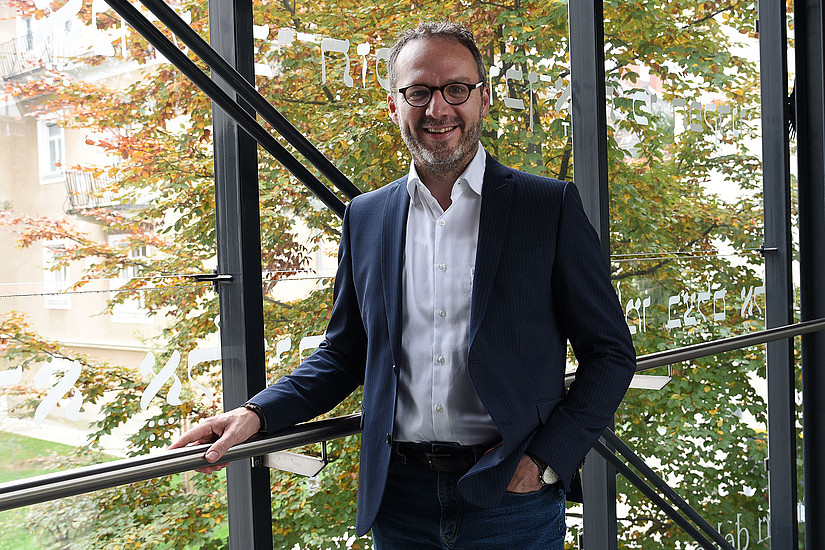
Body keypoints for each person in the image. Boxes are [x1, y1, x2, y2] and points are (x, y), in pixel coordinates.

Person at [171, 21, 636, 549]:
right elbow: (344, 353)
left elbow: (611, 353)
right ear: (395, 105)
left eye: (456, 89)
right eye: (418, 92)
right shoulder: (367, 217)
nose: (438, 109)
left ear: (482, 99)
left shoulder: (545, 206)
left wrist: (544, 462)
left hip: (510, 493)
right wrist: (257, 413)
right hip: (399, 498)